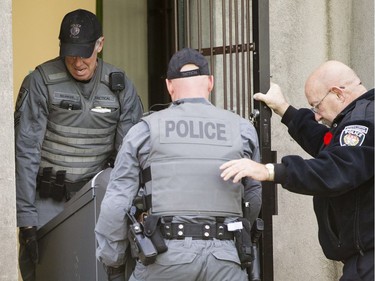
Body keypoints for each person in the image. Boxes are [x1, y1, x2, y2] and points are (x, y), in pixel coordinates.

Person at [95, 48, 262, 281]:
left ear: (169, 86)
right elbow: (253, 197)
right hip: (226, 260)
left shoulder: (145, 131)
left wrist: (113, 263)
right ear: (210, 82)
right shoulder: (242, 130)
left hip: (164, 258)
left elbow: (116, 204)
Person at [14, 9, 143, 281]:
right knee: (43, 271)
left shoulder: (120, 87)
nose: (77, 62)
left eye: (84, 53)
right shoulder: (41, 82)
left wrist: (131, 211)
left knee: (100, 270)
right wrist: (26, 219)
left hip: (96, 197)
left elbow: (129, 159)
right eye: (70, 53)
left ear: (100, 44)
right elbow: (25, 152)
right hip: (48, 197)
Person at [220, 60, 374, 281]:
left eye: (317, 106)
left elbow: (336, 168)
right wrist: (284, 109)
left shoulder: (364, 121)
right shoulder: (358, 120)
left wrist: (270, 171)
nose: (318, 116)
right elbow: (328, 144)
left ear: (338, 94)